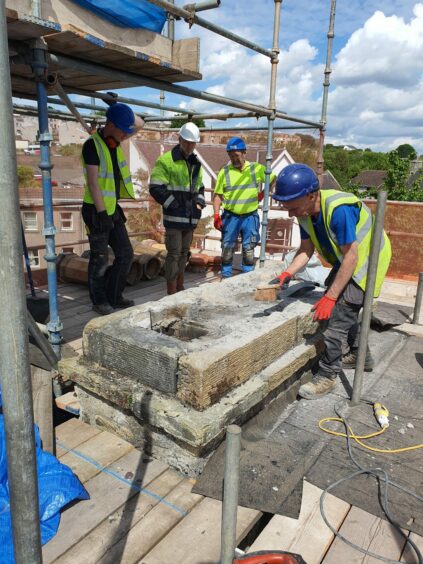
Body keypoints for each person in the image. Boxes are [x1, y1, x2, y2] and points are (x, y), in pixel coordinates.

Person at [271, 163, 391, 400]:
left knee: (337, 315)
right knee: (345, 309)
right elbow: (306, 250)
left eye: (293, 207)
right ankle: (360, 356)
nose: (290, 214)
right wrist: (287, 273)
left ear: (311, 195)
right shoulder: (306, 213)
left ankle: (327, 375)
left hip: (368, 261)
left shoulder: (338, 210)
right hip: (348, 258)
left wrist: (330, 297)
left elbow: (352, 256)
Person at [81, 102, 145, 315]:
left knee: (125, 253)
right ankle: (99, 302)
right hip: (96, 210)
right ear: (112, 125)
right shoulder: (93, 145)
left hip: (112, 209)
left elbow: (140, 123)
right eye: (122, 130)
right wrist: (101, 213)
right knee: (99, 259)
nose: (126, 135)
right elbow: (93, 183)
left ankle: (115, 296)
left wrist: (116, 107)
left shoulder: (114, 141)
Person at [149, 122, 205, 295]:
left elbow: (200, 187)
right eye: (187, 141)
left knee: (184, 253)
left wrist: (199, 203)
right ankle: (172, 291)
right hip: (174, 218)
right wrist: (174, 205)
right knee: (173, 254)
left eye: (193, 143)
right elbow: (156, 187)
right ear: (179, 139)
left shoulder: (196, 163)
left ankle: (180, 286)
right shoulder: (167, 160)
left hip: (190, 218)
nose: (189, 146)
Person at [213, 137, 276, 278]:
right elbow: (217, 196)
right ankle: (226, 275)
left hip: (250, 216)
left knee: (249, 248)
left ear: (244, 153)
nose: (234, 159)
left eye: (236, 155)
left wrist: (263, 193)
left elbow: (272, 178)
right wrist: (216, 215)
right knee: (227, 247)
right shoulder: (225, 172)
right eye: (231, 156)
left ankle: (247, 275)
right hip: (231, 216)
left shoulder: (255, 169)